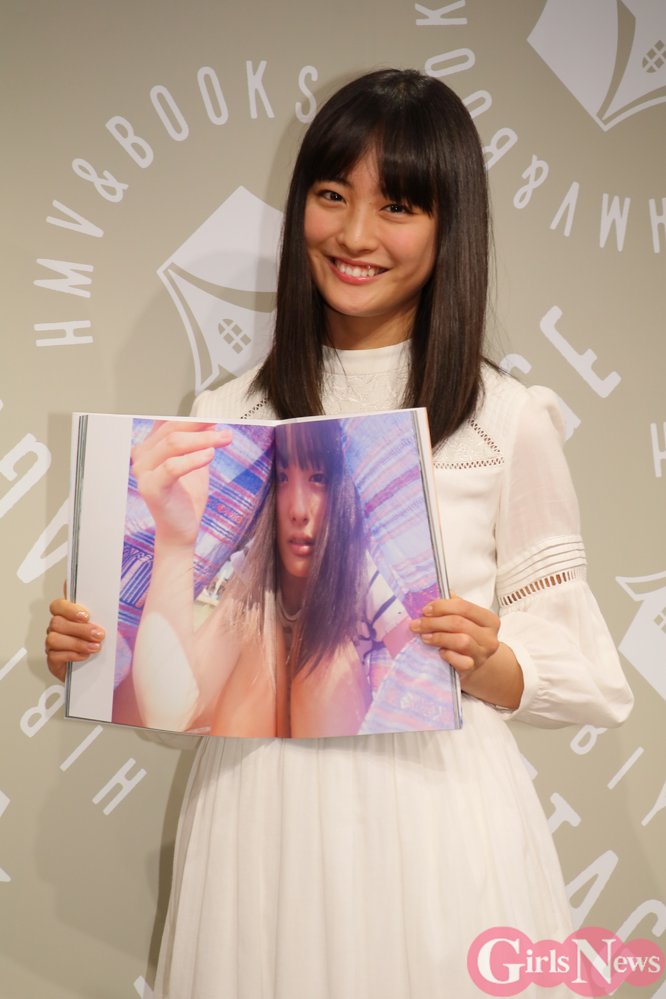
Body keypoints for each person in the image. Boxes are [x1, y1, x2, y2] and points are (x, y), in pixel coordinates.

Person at [46, 68, 634, 997]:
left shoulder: (505, 419)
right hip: (260, 821)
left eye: (397, 205)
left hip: (433, 817)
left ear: (449, 227)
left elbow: (586, 673)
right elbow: (188, 693)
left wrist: (488, 658)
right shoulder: (226, 415)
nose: (356, 235)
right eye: (332, 195)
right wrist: (98, 649)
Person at [127, 417, 410, 738]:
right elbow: (169, 714)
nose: (298, 510)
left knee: (322, 660)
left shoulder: (361, 571)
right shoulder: (257, 568)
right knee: (261, 645)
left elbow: (424, 675)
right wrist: (175, 541)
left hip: (336, 745)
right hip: (252, 748)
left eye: (318, 478)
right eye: (283, 479)